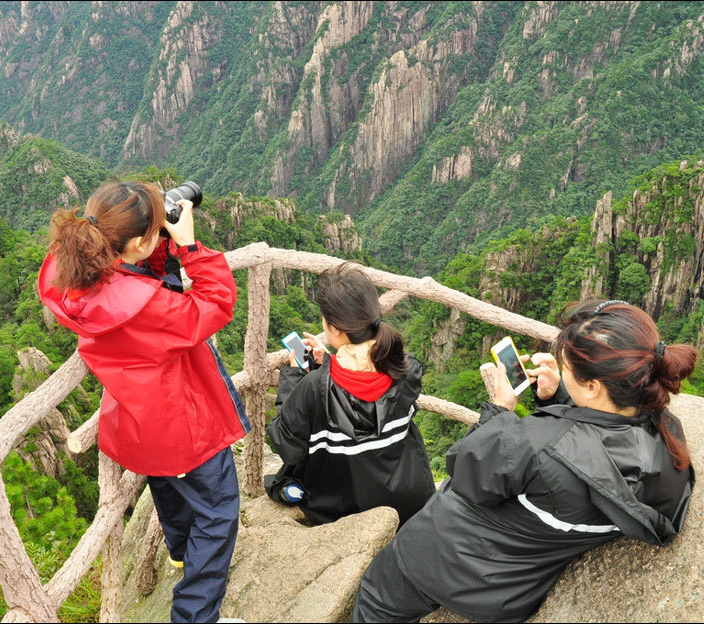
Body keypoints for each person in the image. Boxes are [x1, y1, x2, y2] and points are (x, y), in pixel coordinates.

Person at [352, 299, 697, 623]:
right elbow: (589, 451)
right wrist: (558, 396)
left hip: (443, 561)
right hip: (513, 593)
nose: (561, 370)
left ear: (592, 386)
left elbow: (468, 471)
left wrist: (499, 410)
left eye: (567, 368)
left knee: (373, 598)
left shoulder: (536, 444)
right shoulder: (666, 439)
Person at [38, 181, 250, 623]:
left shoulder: (78, 267)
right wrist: (189, 247)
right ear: (135, 242)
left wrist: (157, 245)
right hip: (183, 423)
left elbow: (132, 272)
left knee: (168, 484)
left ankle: (178, 552)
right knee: (218, 511)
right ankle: (195, 614)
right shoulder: (143, 307)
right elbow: (214, 305)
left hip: (138, 421)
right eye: (154, 229)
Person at [265, 263, 435, 527]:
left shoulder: (313, 387)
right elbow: (365, 384)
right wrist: (329, 364)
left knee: (279, 482)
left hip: (345, 508)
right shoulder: (406, 368)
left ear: (334, 329)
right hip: (411, 499)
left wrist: (294, 378)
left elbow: (286, 444)